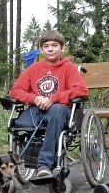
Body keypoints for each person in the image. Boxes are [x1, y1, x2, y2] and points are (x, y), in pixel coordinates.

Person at [9, 30, 89, 178]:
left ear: (62, 48)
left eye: (54, 45)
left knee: (56, 109)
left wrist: (54, 98)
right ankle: (20, 160)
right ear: (41, 49)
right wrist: (34, 98)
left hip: (61, 112)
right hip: (37, 110)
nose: (50, 49)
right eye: (46, 46)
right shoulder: (34, 68)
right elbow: (15, 91)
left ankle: (44, 164)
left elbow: (82, 91)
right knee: (18, 123)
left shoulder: (69, 68)